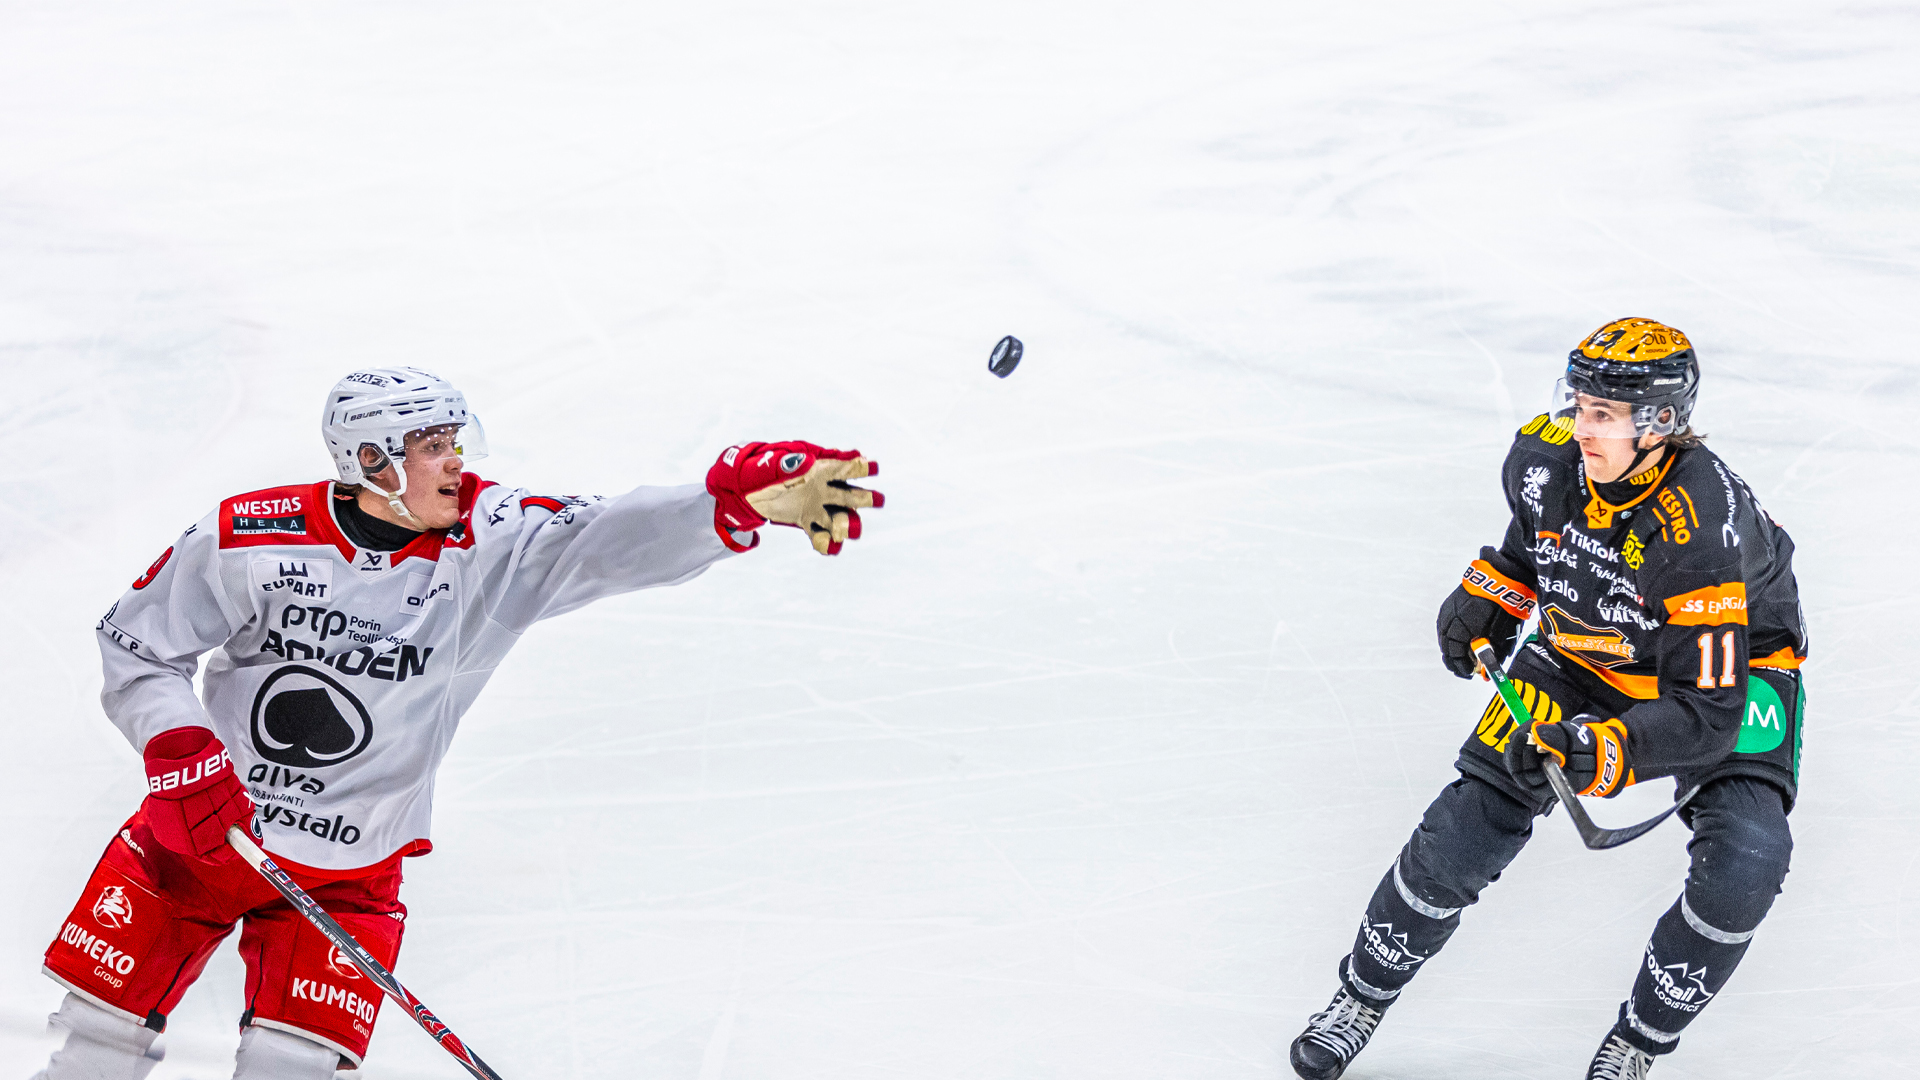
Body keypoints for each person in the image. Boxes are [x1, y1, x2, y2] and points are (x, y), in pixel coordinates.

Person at [34, 367, 882, 1079]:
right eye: (431, 447)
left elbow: (604, 538)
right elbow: (137, 644)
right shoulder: (251, 534)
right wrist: (177, 745)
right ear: (370, 460)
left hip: (348, 868)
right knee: (94, 1050)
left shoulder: (492, 545)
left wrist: (726, 502)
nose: (456, 463)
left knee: (289, 1071)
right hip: (206, 841)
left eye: (454, 441)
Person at [1287, 319, 1806, 1080]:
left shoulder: (1703, 531)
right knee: (1466, 825)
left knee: (1748, 863)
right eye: (1578, 402)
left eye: (1602, 413)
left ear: (1658, 424)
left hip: (1726, 672)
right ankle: (1361, 995)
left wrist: (1604, 749)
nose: (1580, 424)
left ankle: (1638, 1041)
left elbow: (1708, 713)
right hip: (1582, 647)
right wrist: (1493, 590)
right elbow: (1536, 538)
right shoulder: (1545, 452)